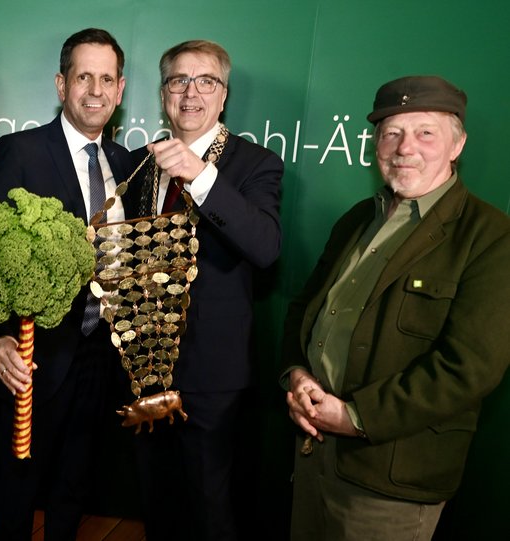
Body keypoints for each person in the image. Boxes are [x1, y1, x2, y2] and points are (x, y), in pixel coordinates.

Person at [281, 75, 510, 541]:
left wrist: (356, 417)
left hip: (391, 482)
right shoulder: (356, 220)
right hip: (313, 452)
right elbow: (304, 310)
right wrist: (296, 375)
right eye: (391, 133)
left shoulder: (490, 237)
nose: (406, 147)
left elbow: (469, 368)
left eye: (425, 131)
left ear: (457, 143)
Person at [125, 40, 283, 540]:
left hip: (212, 372)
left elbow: (265, 247)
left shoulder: (255, 164)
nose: (191, 93)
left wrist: (199, 176)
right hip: (144, 365)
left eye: (205, 82)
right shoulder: (138, 164)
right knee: (157, 501)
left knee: (212, 507)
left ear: (223, 96)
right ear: (163, 92)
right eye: (178, 81)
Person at [0, 27, 133, 541]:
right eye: (83, 76)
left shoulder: (127, 164)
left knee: (76, 483)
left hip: (101, 355)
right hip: (36, 356)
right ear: (60, 83)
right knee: (20, 490)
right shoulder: (20, 151)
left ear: (120, 88)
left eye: (106, 78)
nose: (95, 90)